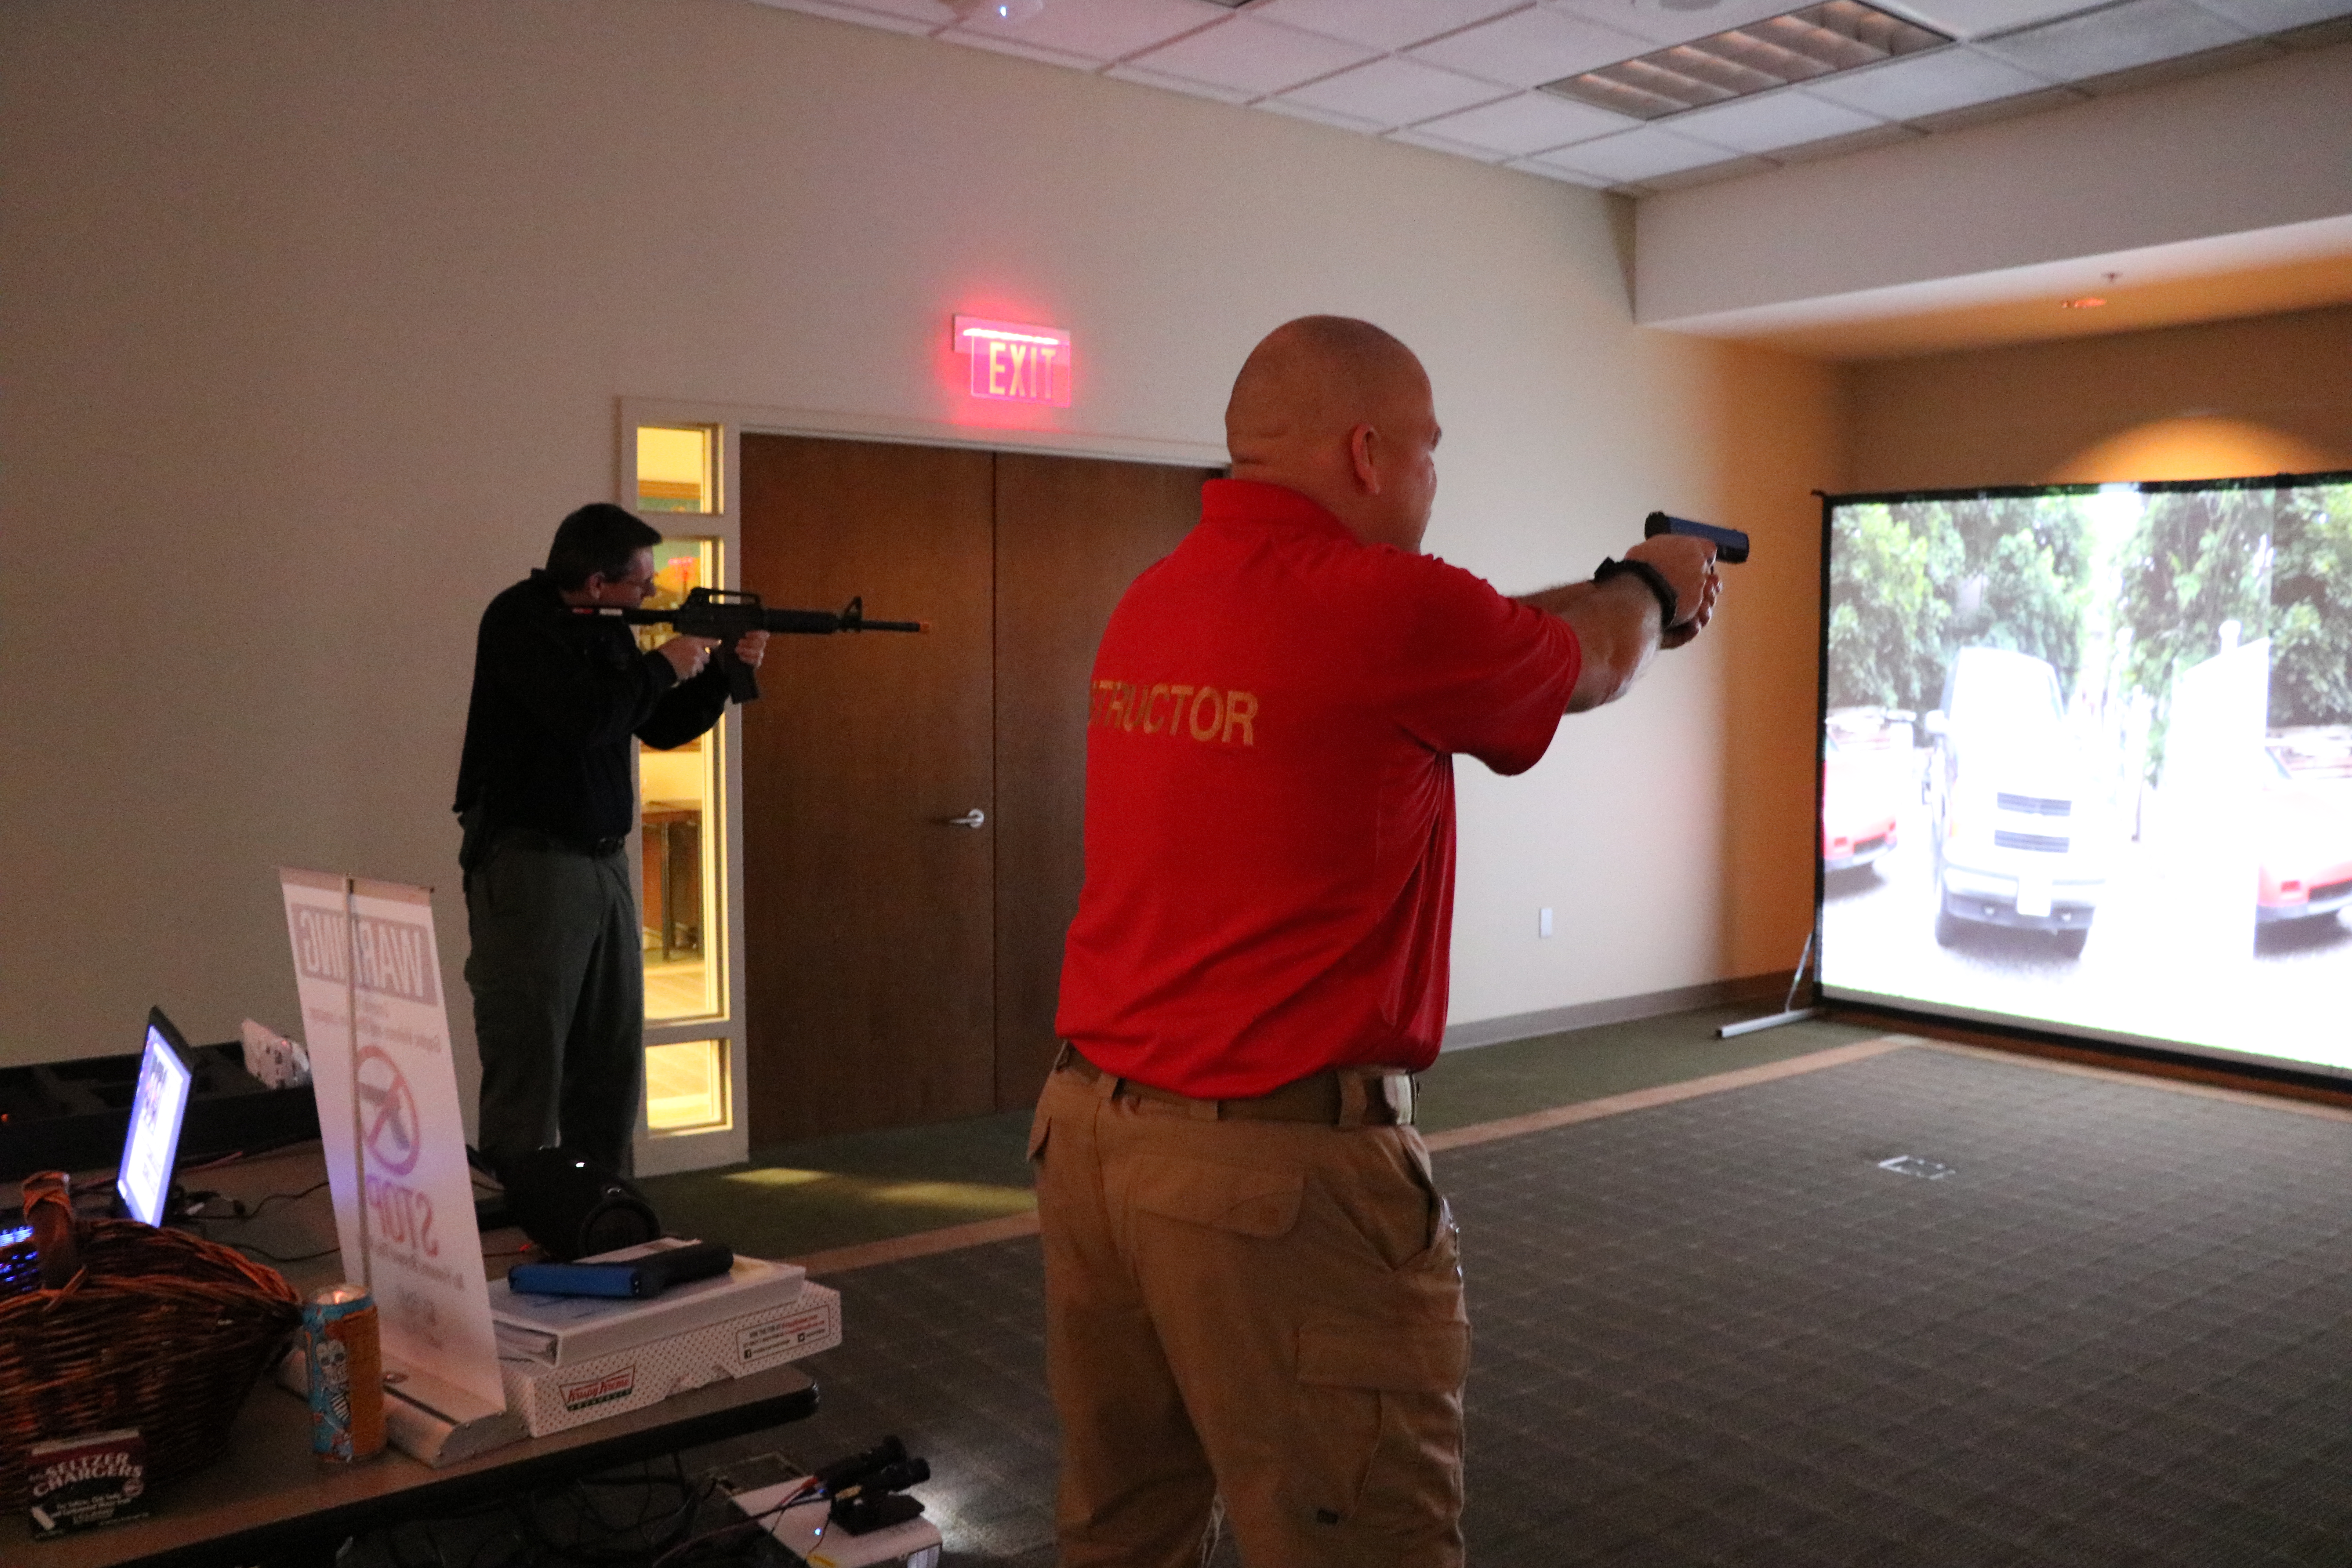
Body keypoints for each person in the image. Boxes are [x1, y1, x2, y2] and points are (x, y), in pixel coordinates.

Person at [1033, 316, 1721, 1567]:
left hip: (1093, 1146)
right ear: (1367, 452)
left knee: (1124, 1529)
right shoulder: (1389, 609)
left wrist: (1605, 587)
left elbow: (1479, 635)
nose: (1430, 476)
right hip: (1273, 1183)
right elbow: (1593, 663)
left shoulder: (1162, 596)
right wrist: (1657, 582)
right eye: (1428, 451)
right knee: (1364, 1540)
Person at [454, 502, 768, 1182]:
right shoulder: (522, 621)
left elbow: (653, 725)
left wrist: (715, 674)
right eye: (639, 584)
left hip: (602, 863)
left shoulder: (605, 630)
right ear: (597, 583)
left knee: (611, 1055)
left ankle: (603, 1209)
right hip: (533, 864)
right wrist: (661, 664)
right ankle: (523, 1216)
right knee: (530, 1053)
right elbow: (583, 718)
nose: (651, 596)